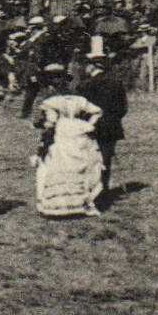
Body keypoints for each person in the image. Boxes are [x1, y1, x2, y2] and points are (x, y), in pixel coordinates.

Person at [34, 95, 105, 217]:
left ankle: (58, 204)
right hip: (79, 130)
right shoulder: (80, 100)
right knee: (80, 165)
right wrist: (89, 123)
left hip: (63, 130)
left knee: (61, 165)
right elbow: (98, 111)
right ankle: (81, 203)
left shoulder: (53, 101)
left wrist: (48, 125)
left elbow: (51, 121)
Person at [77, 51, 127, 196]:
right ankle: (103, 189)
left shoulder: (86, 85)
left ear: (93, 66)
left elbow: (82, 109)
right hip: (112, 127)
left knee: (90, 159)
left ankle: (91, 190)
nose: (85, 68)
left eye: (87, 64)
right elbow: (122, 108)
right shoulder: (117, 83)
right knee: (106, 159)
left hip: (91, 127)